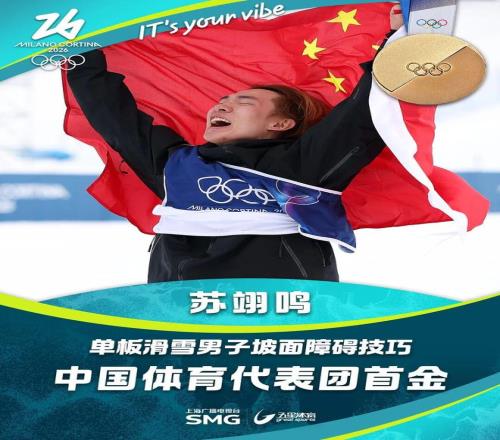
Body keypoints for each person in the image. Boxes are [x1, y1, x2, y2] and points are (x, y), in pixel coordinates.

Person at [67, 7, 403, 283]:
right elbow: (110, 111)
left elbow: (363, 112)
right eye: (222, 101)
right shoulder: (175, 165)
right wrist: (81, 46)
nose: (221, 106)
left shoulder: (304, 166)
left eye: (244, 101)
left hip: (280, 318)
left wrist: (398, 42)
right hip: (184, 318)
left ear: (281, 123)